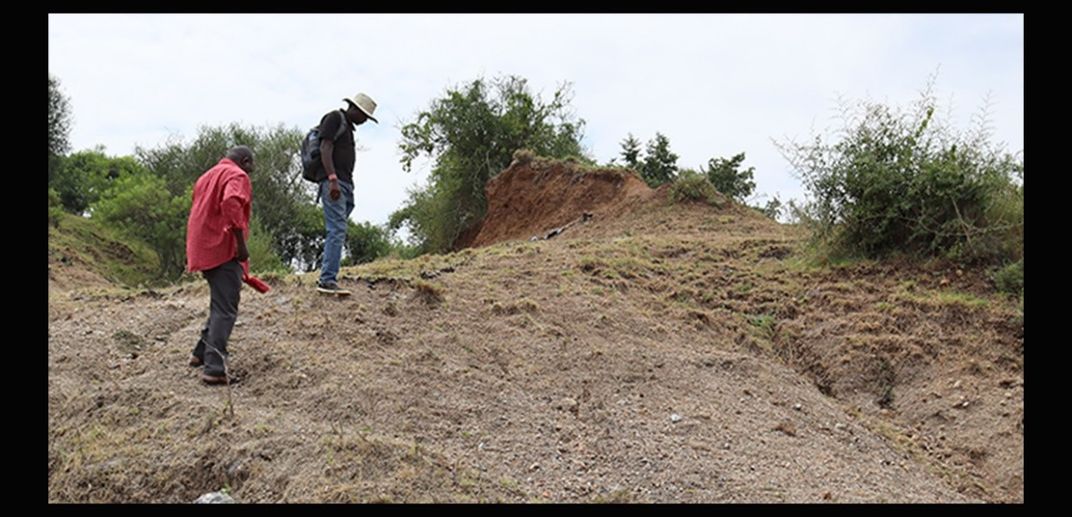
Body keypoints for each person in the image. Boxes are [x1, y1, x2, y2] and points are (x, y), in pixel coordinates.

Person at [185, 146, 259, 385]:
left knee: (220, 303)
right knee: (226, 309)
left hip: (202, 247)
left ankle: (200, 354)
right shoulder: (237, 176)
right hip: (222, 248)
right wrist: (239, 242)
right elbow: (230, 202)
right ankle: (215, 368)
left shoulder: (207, 176)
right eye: (251, 166)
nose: (251, 172)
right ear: (245, 162)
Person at [315, 92, 378, 295]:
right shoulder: (334, 118)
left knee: (337, 229)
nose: (365, 121)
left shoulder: (348, 128)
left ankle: (327, 273)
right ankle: (327, 280)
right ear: (355, 109)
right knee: (337, 230)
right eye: (364, 116)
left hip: (344, 184)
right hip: (335, 183)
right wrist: (332, 179)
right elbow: (325, 147)